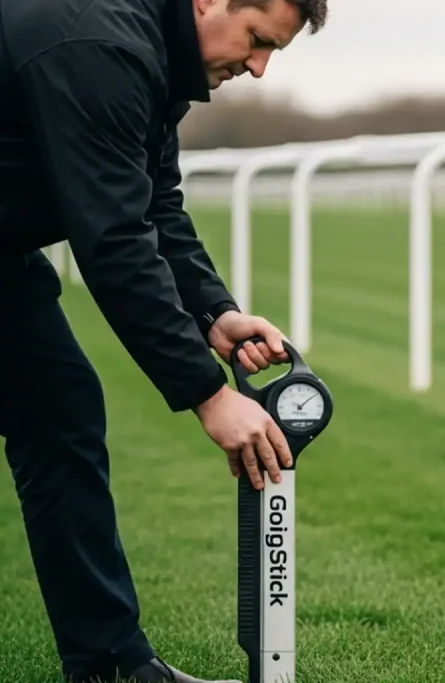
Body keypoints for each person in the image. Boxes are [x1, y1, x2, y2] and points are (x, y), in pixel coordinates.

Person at [0, 0, 328, 679]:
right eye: (259, 40)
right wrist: (209, 395)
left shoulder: (151, 50)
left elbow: (152, 203)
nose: (261, 68)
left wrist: (214, 313)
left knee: (59, 411)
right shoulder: (102, 42)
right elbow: (114, 240)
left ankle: (111, 665)